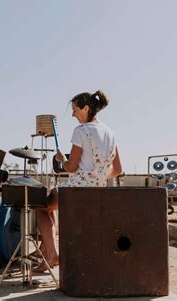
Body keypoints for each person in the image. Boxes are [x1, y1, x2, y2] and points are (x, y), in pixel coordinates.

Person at [33, 90, 122, 272]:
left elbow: (71, 167)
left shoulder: (81, 131)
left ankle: (51, 255)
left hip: (76, 191)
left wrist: (61, 160)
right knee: (52, 205)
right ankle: (46, 248)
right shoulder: (110, 133)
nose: (73, 114)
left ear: (86, 108)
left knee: (41, 207)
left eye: (75, 110)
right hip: (97, 191)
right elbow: (118, 169)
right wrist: (97, 175)